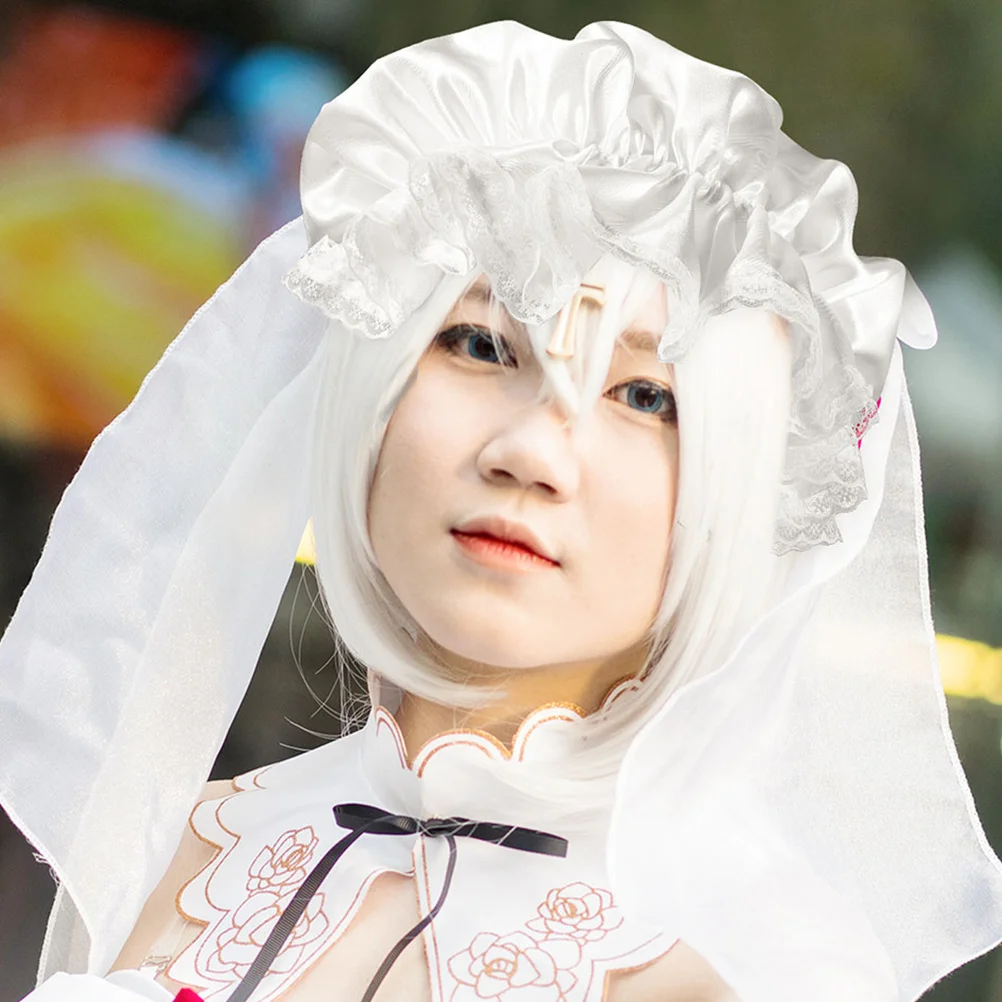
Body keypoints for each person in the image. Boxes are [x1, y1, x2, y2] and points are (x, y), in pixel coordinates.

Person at [3, 19, 1002, 1002]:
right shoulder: (180, 848)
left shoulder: (750, 969)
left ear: (749, 486)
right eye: (481, 346)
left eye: (648, 398)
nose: (531, 454)